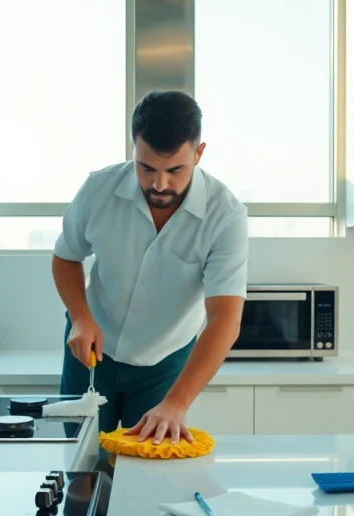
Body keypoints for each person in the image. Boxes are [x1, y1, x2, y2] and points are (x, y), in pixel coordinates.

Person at [51, 90, 248, 445]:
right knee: (82, 464)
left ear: (199, 153)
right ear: (133, 149)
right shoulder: (99, 189)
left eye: (175, 170)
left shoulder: (226, 216)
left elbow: (225, 318)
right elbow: (66, 256)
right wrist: (79, 316)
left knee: (148, 472)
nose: (159, 184)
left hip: (164, 363)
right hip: (92, 352)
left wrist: (177, 403)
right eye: (146, 168)